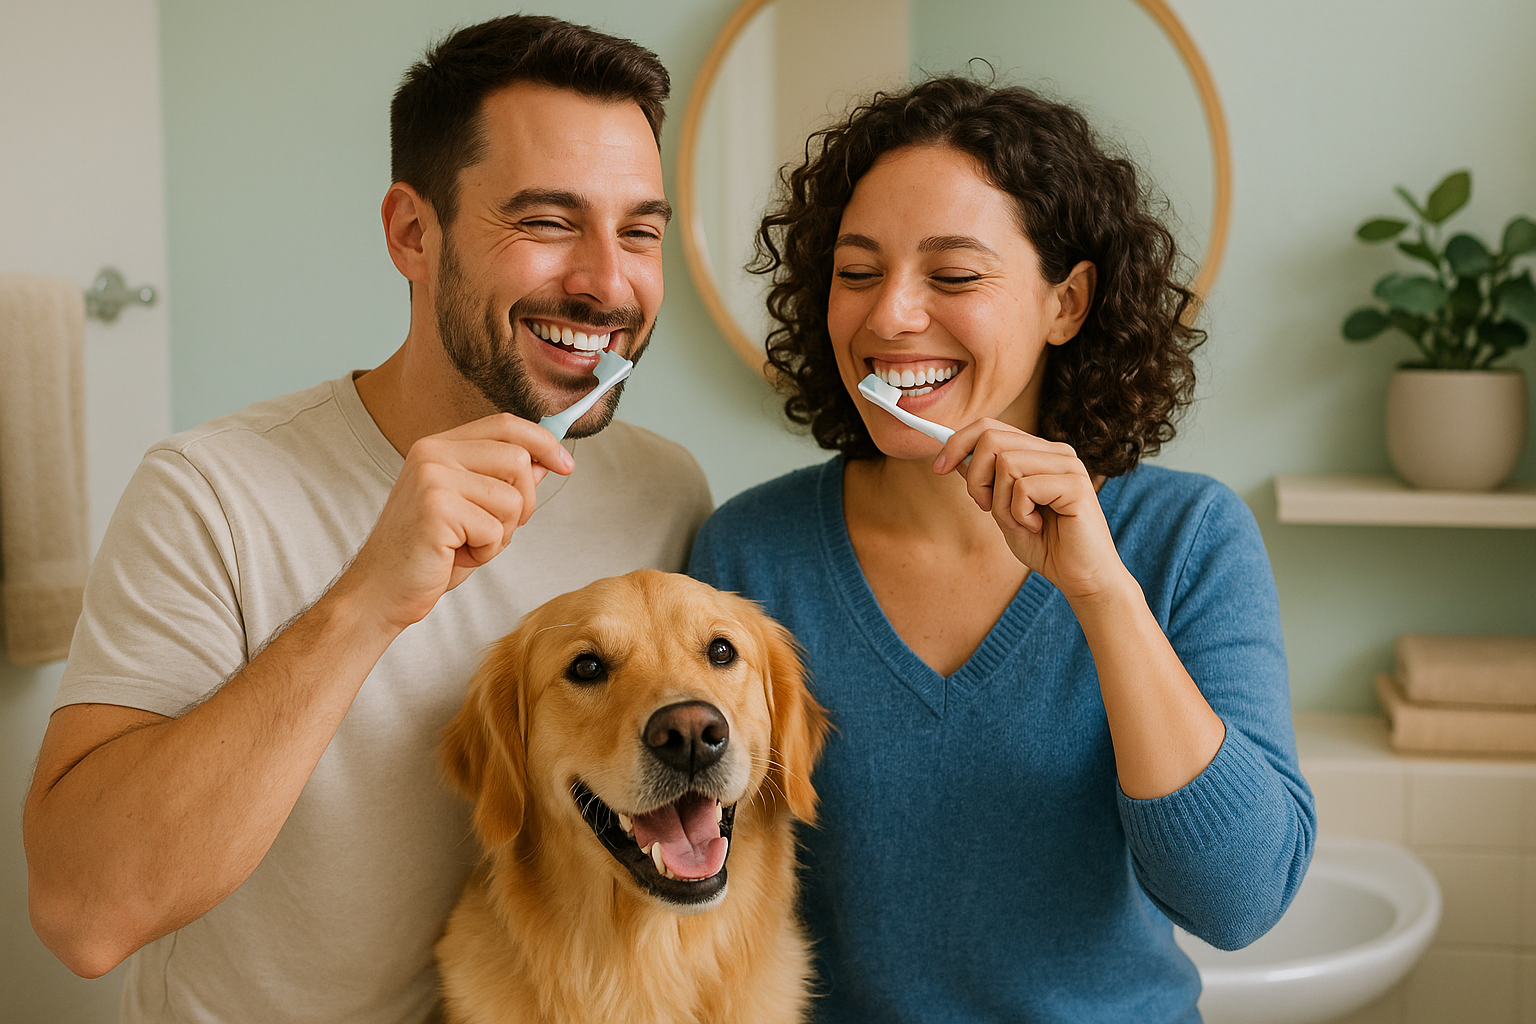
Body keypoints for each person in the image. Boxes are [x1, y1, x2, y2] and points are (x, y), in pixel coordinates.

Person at [22, 16, 711, 1024]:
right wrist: (364, 602)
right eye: (549, 220)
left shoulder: (664, 494)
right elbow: (83, 913)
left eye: (639, 230)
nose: (609, 281)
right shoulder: (211, 493)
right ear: (411, 232)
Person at [688, 77, 1315, 1023]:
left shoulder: (1188, 539)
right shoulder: (747, 556)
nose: (891, 315)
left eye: (953, 275)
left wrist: (1102, 594)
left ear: (1067, 304)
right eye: (858, 273)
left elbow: (1238, 902)